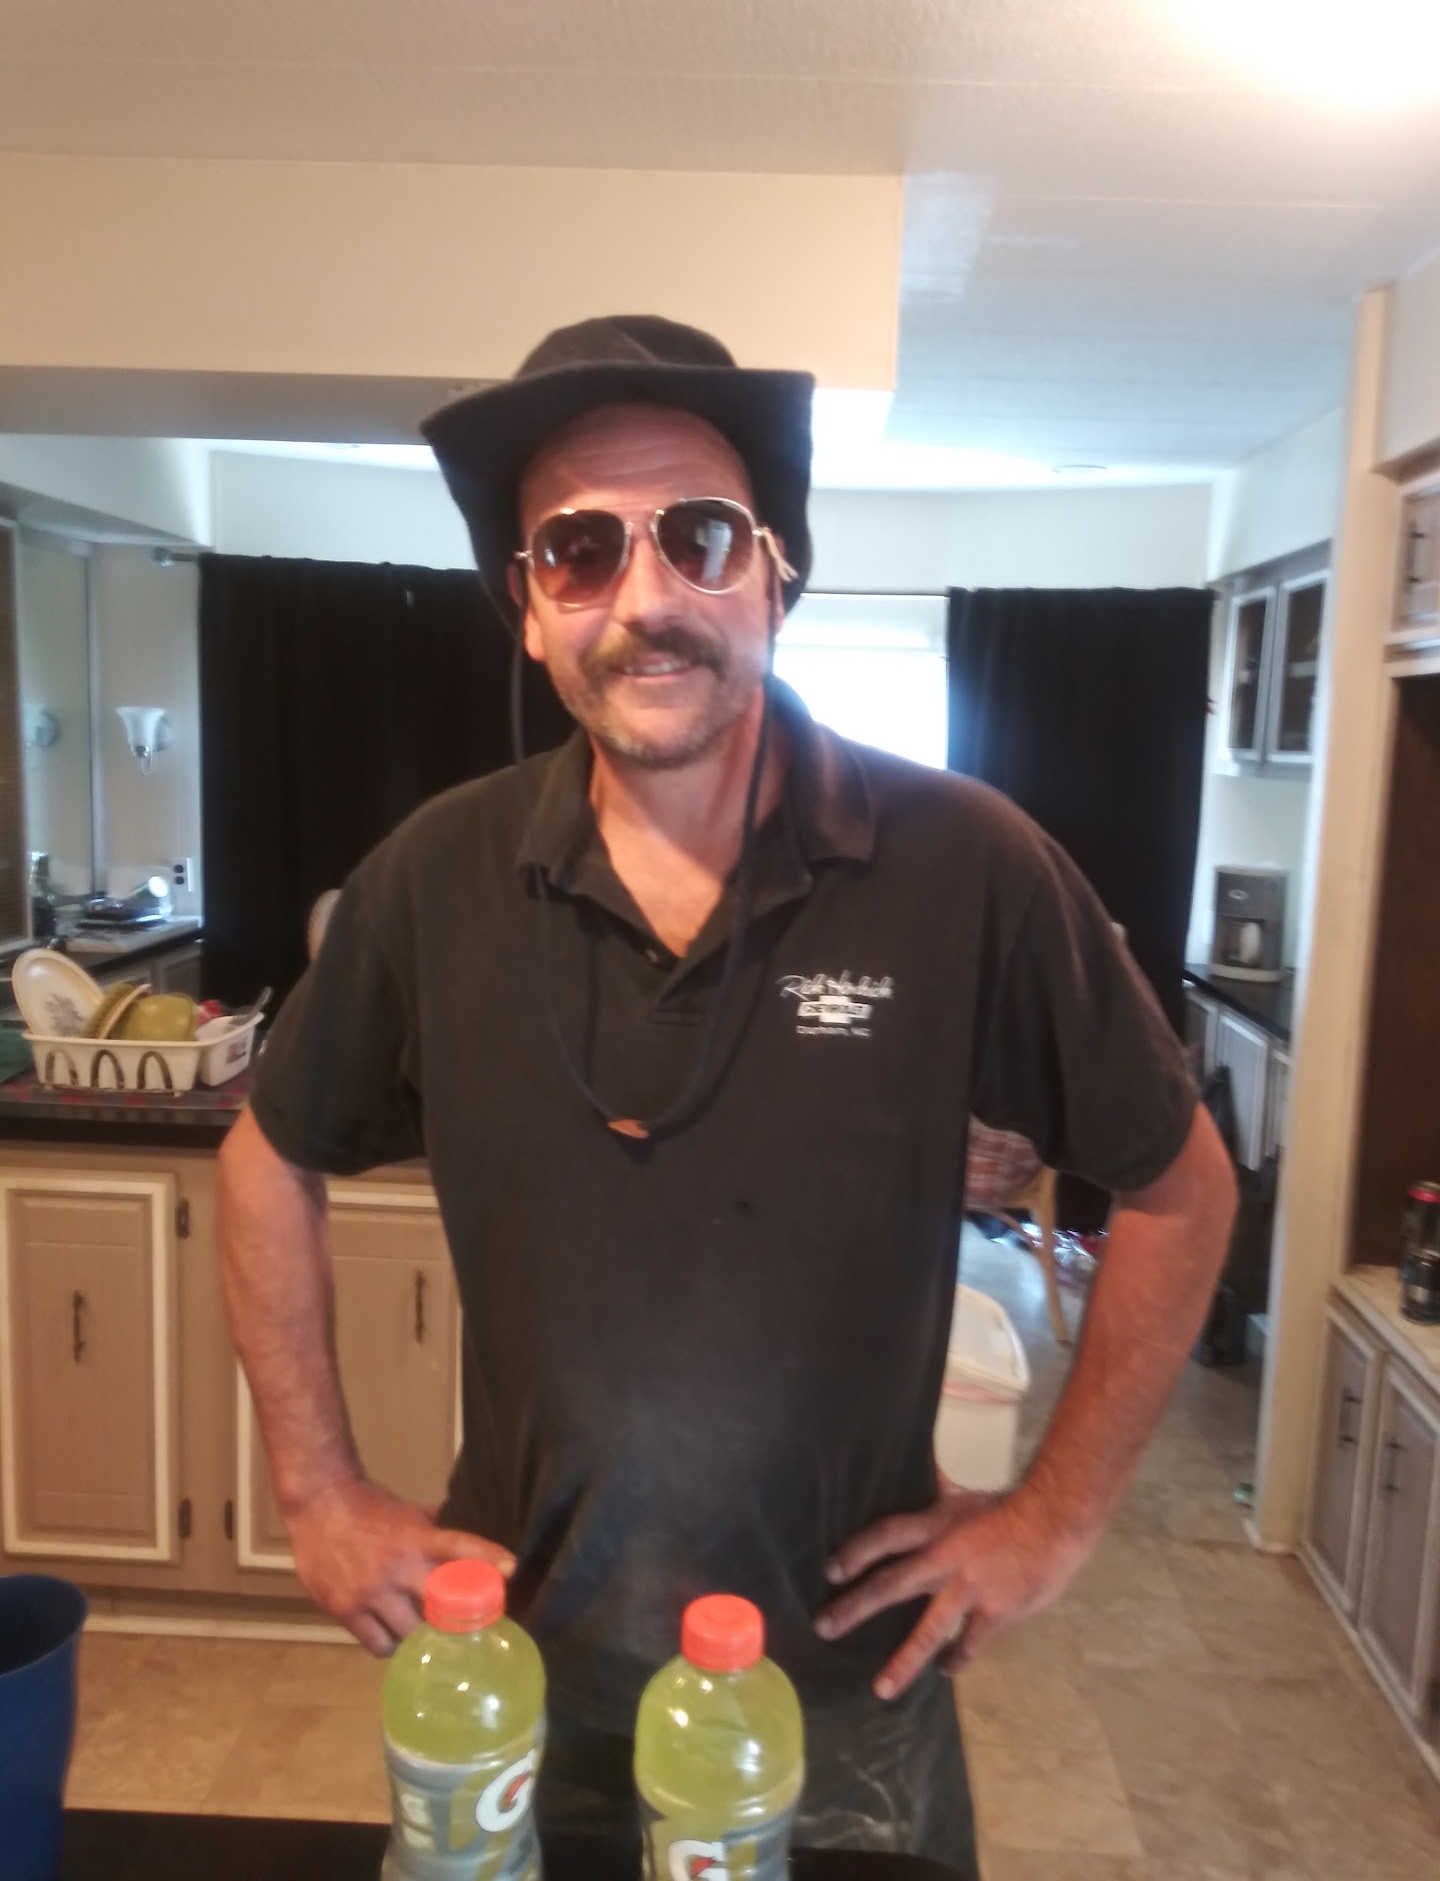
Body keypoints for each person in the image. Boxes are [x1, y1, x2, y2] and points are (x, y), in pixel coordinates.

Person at [218, 315, 1235, 1873]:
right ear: (527, 611)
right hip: (518, 1666)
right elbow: (268, 1154)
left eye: (698, 536)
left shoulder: (966, 863)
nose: (645, 601)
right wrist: (316, 1491)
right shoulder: (435, 874)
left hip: (842, 1696)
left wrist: (1056, 1514)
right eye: (578, 551)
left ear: (776, 574)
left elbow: (1179, 1182)